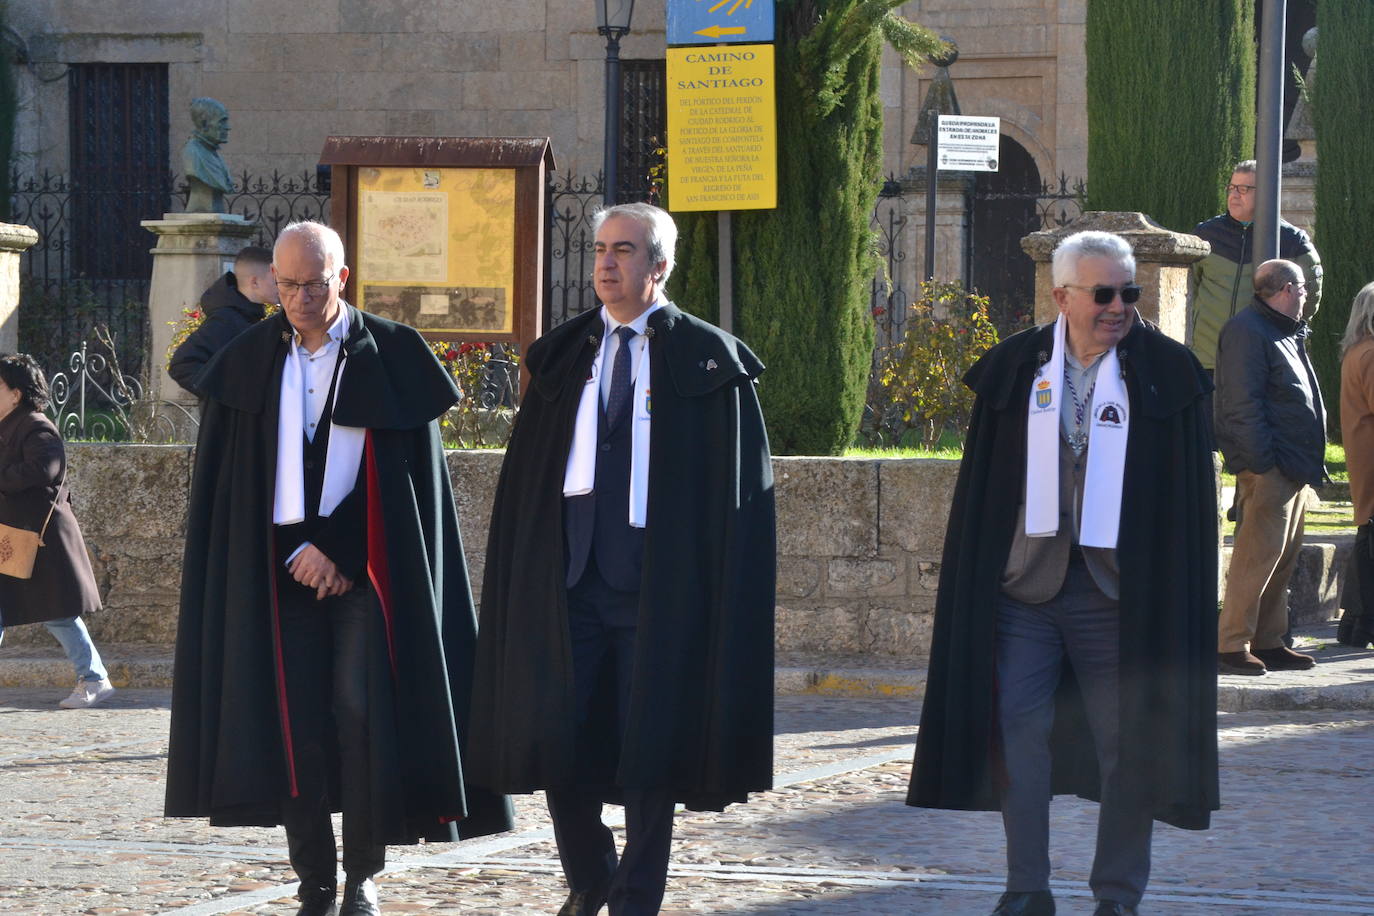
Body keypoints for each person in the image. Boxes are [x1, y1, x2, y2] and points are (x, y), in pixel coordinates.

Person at [164, 221, 512, 916]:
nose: (296, 298)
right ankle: (314, 880)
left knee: (360, 713)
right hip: (279, 572)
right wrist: (291, 552)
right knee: (295, 722)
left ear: (342, 279)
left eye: (312, 284)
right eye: (285, 285)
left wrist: (341, 550)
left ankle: (362, 875)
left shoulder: (392, 354)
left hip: (369, 572)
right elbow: (238, 484)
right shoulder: (252, 356)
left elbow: (407, 483)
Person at [467, 202, 776, 916]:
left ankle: (637, 897)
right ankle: (591, 875)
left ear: (659, 266)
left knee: (650, 751)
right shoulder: (565, 353)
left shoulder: (706, 360)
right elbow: (530, 482)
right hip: (570, 583)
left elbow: (735, 498)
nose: (606, 263)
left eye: (625, 250)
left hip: (656, 591)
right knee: (557, 739)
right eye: (601, 249)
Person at [907, 231, 1219, 916]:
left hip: (1119, 594)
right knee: (1017, 733)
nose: (1118, 307)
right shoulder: (1016, 368)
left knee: (1125, 744)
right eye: (1103, 294)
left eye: (1128, 293)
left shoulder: (1168, 373)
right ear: (1062, 296)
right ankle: (1027, 888)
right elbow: (985, 491)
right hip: (1028, 587)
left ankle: (1116, 894)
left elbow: (1186, 504)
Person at [1214, 259, 1326, 675]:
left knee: (1281, 557)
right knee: (1255, 557)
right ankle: (1230, 644)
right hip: (1270, 466)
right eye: (1301, 287)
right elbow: (1241, 404)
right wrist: (1261, 464)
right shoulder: (1248, 331)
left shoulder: (1283, 332)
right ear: (1285, 288)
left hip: (1292, 465)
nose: (1307, 294)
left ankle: (1268, 639)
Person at [0, 354, 111, 709]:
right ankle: (94, 677)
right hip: (12, 534)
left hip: (39, 538)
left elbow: (45, 468)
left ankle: (94, 678)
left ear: (15, 393)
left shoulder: (35, 425)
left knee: (57, 613)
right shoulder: (7, 425)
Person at [1189, 159, 1323, 374]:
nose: (1233, 195)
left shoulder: (1292, 241)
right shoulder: (1206, 235)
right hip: (1207, 361)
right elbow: (1190, 289)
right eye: (1231, 188)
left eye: (1243, 189)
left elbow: (1309, 298)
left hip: (1262, 362)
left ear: (1265, 192)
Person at [168, 245, 278, 398]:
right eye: (275, 280)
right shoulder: (226, 320)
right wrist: (228, 398)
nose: (281, 286)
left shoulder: (247, 316)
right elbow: (181, 365)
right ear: (255, 282)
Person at [1335, 282, 1374, 649]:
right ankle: (1361, 624)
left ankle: (1355, 625)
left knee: (1367, 536)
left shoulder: (1356, 351)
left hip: (1364, 453)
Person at [182, 96, 234, 213]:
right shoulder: (193, 152)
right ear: (204, 123)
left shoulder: (213, 153)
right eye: (222, 121)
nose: (228, 127)